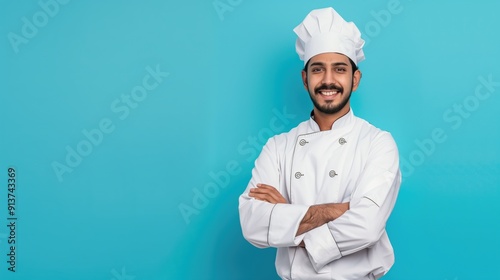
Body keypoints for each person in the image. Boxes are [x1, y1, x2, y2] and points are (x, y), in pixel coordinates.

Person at [238, 7, 402, 280]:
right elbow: (252, 222)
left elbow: (368, 226)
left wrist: (286, 220)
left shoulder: (378, 143)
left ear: (355, 79)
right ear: (305, 79)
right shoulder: (279, 146)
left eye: (339, 69)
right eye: (317, 69)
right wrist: (337, 210)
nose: (328, 80)